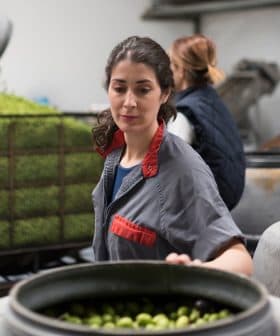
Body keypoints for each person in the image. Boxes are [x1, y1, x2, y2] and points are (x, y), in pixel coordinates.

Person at [92, 35, 252, 276]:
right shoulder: (115, 158)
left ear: (165, 93)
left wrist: (195, 272)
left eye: (143, 89)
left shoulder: (182, 169)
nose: (129, 102)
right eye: (119, 88)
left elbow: (240, 261)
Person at [167, 34, 245, 211]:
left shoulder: (185, 113)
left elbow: (168, 170)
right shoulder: (213, 101)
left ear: (182, 70)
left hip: (200, 206)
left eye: (171, 65)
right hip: (223, 201)